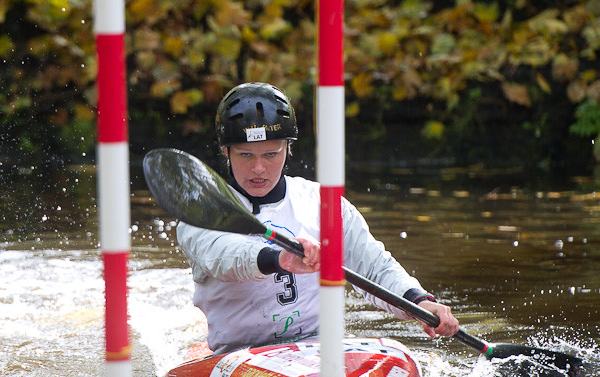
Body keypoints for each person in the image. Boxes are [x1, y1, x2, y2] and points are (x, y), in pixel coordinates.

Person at [177, 82, 460, 355]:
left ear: (288, 148)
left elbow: (373, 265)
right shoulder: (201, 213)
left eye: (271, 154)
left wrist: (419, 302)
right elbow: (223, 257)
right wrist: (279, 259)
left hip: (315, 349)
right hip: (238, 354)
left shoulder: (323, 203)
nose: (259, 168)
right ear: (226, 151)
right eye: (246, 155)